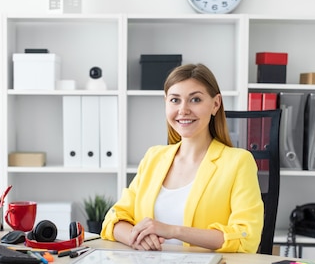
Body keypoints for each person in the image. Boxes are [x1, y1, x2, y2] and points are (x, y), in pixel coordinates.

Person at [101, 63, 264, 253]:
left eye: (195, 99)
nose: (183, 109)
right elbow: (114, 218)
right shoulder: (154, 157)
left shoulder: (238, 162)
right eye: (175, 100)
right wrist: (136, 238)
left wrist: (173, 231)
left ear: (215, 104)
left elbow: (246, 237)